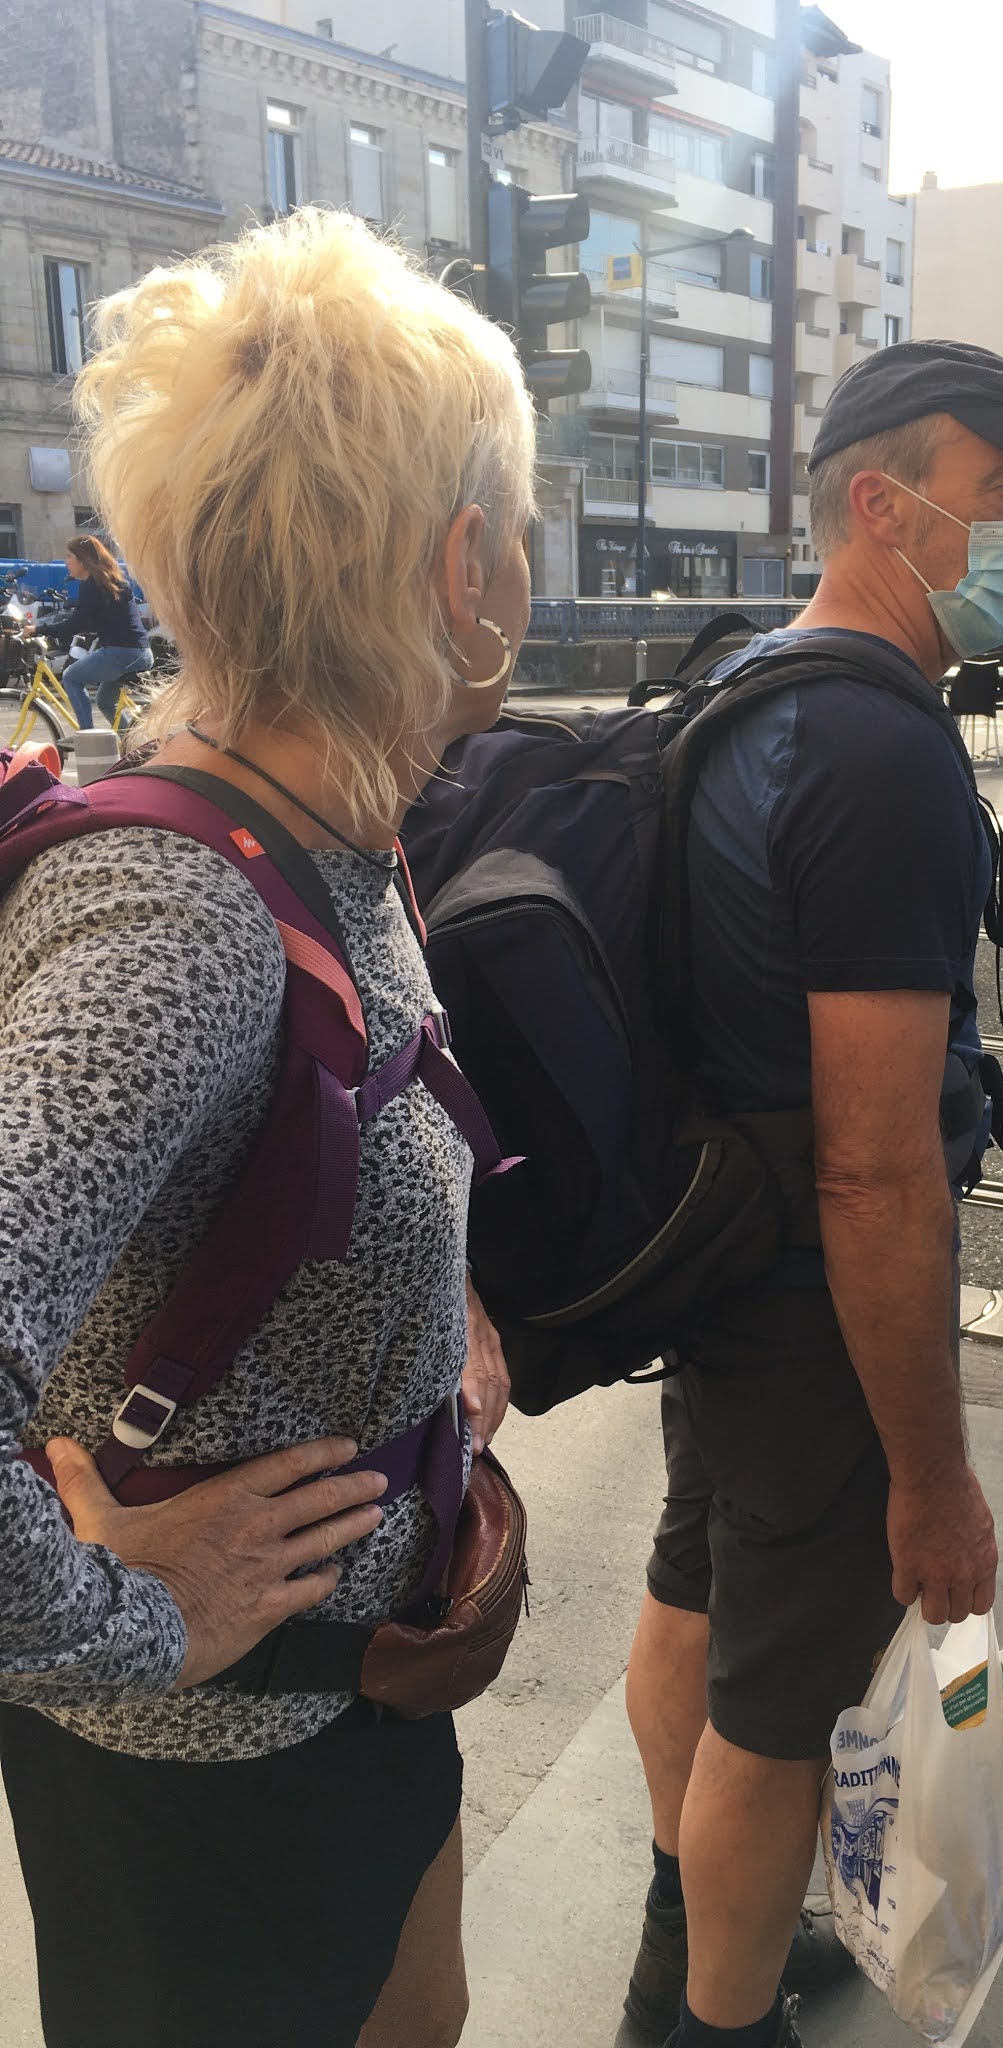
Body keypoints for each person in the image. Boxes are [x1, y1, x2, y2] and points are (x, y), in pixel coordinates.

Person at [0, 206, 534, 2048]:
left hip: (357, 1699)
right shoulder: (178, 918)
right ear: (467, 565)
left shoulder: (331, 834)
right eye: (520, 520)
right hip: (199, 1782)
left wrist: (435, 1313)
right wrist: (124, 1622)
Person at [621, 341, 1003, 2048]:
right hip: (813, 1309)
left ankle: (683, 1934)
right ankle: (716, 2019)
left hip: (716, 1266)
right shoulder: (881, 751)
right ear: (883, 506)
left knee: (697, 1588)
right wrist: (933, 1476)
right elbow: (879, 1167)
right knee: (783, 1712)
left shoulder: (749, 684)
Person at [52, 532, 154, 728]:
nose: (66, 562)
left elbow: (74, 624)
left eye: (69, 556)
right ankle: (129, 741)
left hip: (120, 653)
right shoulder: (113, 582)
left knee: (71, 677)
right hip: (142, 653)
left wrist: (38, 629)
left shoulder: (91, 586)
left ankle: (87, 737)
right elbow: (104, 618)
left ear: (82, 560)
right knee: (105, 702)